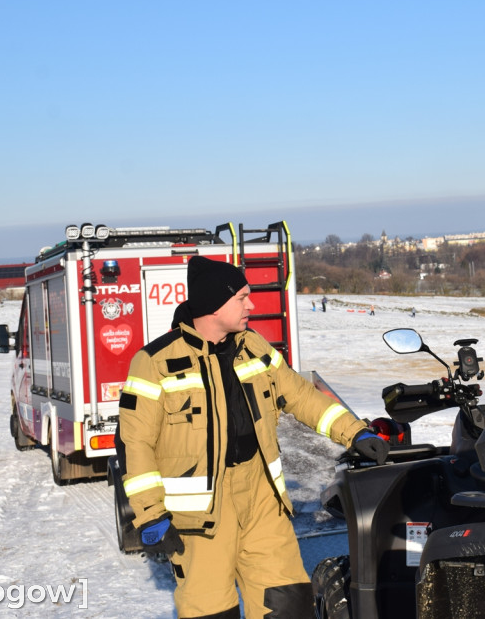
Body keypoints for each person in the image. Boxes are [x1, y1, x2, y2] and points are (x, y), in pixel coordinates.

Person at [118, 256, 388, 619]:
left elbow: (301, 395)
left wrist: (354, 433)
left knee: (289, 603)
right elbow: (135, 443)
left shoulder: (254, 347)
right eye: (242, 297)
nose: (252, 305)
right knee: (210, 611)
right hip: (200, 519)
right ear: (215, 304)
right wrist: (151, 514)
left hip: (262, 500)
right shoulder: (154, 363)